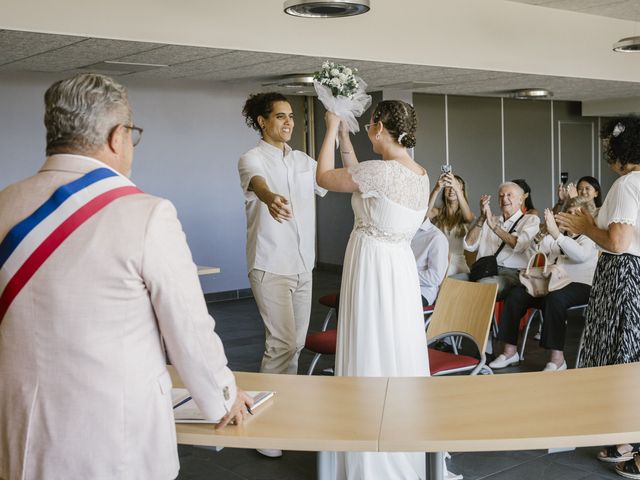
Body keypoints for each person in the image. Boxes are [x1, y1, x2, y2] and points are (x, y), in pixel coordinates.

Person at [0, 74, 251, 480]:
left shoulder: (5, 202)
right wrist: (223, 397)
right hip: (111, 440)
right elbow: (188, 328)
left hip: (17, 432)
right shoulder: (147, 213)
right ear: (118, 136)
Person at [316, 100, 430, 479]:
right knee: (393, 343)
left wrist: (331, 127)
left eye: (369, 126)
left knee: (369, 341)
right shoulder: (419, 173)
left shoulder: (379, 172)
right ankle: (398, 435)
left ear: (380, 127)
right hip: (398, 269)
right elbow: (360, 177)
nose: (368, 131)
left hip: (372, 266)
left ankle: (369, 449)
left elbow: (325, 177)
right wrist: (349, 139)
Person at [238, 92, 326, 457]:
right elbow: (258, 184)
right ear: (262, 121)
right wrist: (270, 197)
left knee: (297, 345)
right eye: (280, 116)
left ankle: (283, 411)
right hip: (270, 264)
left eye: (291, 116)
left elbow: (327, 178)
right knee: (280, 345)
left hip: (303, 264)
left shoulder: (304, 160)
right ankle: (265, 428)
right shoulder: (251, 158)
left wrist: (334, 130)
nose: (289, 122)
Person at [556, 117, 640, 476]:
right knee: (631, 355)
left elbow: (618, 242)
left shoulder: (626, 184)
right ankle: (624, 438)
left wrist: (584, 227)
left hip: (622, 276)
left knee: (622, 358)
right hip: (634, 275)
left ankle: (633, 448)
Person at [490, 197, 598, 370]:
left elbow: (580, 255)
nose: (570, 217)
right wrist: (543, 234)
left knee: (555, 299)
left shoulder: (589, 237)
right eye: (568, 213)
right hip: (550, 284)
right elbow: (535, 252)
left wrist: (556, 235)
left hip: (580, 285)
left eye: (575, 214)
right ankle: (510, 352)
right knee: (516, 294)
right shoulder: (559, 235)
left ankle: (557, 359)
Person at [460, 182, 540, 298]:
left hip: (512, 273)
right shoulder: (490, 220)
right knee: (451, 281)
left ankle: (478, 316)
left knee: (483, 286)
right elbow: (469, 245)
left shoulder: (531, 220)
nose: (504, 199)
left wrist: (495, 228)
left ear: (521, 199)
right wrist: (482, 218)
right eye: (501, 196)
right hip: (484, 270)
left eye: (509, 195)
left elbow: (520, 245)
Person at [428, 173, 474, 275]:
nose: (452, 189)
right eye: (448, 186)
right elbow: (425, 215)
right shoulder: (437, 212)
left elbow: (468, 218)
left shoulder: (466, 214)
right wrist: (436, 189)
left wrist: (457, 189)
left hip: (457, 263)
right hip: (438, 261)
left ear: (461, 191)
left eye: (456, 187)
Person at [411, 217, 449, 306]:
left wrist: (406, 276)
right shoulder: (402, 231)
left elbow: (435, 278)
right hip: (397, 284)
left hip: (421, 291)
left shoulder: (437, 237)